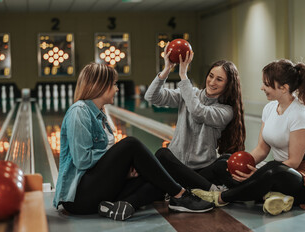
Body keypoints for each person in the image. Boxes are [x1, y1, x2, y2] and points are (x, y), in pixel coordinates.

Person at [53, 62, 214, 221]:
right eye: (114, 84)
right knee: (130, 144)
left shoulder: (101, 114)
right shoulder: (79, 112)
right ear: (100, 85)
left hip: (98, 192)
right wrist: (122, 169)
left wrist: (123, 171)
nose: (117, 89)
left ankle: (124, 205)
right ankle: (181, 196)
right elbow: (83, 161)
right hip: (79, 198)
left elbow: (104, 164)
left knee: (159, 172)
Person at [192, 59, 305, 214]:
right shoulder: (269, 108)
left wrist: (258, 175)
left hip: (300, 179)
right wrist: (244, 167)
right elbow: (261, 149)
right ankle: (186, 189)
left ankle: (221, 198)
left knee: (273, 168)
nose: (262, 87)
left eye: (266, 84)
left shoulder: (300, 115)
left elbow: (294, 161)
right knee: (225, 161)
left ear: (283, 88)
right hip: (274, 173)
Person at [144, 43, 245, 193]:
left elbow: (198, 112)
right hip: (177, 165)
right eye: (211, 76)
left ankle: (198, 190)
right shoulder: (189, 93)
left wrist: (184, 76)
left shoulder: (226, 111)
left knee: (224, 162)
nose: (212, 82)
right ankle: (210, 191)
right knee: (163, 155)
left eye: (219, 79)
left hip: (201, 169)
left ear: (228, 85)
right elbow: (151, 96)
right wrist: (166, 70)